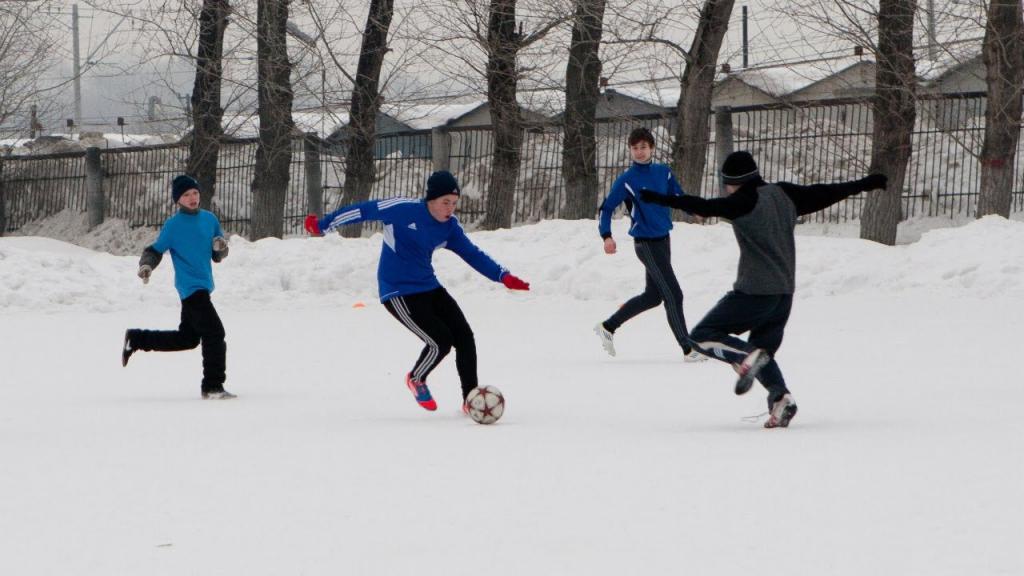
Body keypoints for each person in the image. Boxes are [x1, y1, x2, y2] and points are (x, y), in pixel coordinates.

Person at [640, 151, 887, 428]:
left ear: (732, 182)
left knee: (700, 336)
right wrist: (865, 183)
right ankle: (781, 400)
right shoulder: (784, 194)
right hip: (783, 295)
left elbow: (704, 206)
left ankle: (744, 356)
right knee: (762, 356)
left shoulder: (742, 202)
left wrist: (658, 198)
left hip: (754, 292)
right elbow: (826, 192)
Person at [303, 170, 530, 413]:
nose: (450, 208)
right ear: (431, 200)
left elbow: (472, 254)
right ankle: (416, 379)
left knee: (464, 337)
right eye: (445, 202)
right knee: (440, 340)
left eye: (454, 203)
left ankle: (469, 399)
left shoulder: (450, 228)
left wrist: (502, 275)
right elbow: (363, 210)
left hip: (428, 286)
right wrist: (322, 225)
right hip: (397, 291)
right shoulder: (402, 209)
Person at [594, 126, 705, 363]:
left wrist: (694, 208)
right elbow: (606, 208)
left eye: (643, 147)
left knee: (653, 296)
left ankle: (608, 326)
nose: (639, 152)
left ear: (652, 148)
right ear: (630, 151)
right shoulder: (627, 179)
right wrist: (607, 236)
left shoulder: (663, 172)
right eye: (635, 148)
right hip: (645, 244)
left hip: (663, 240)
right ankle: (688, 348)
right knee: (674, 294)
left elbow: (677, 196)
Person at [121, 175, 235, 400]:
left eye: (195, 193)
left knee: (188, 338)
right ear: (178, 200)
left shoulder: (210, 219)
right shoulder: (173, 226)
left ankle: (136, 339)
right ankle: (212, 386)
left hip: (203, 285)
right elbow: (155, 250)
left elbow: (217, 254)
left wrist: (221, 248)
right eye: (186, 195)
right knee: (215, 333)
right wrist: (146, 265)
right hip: (191, 288)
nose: (192, 198)